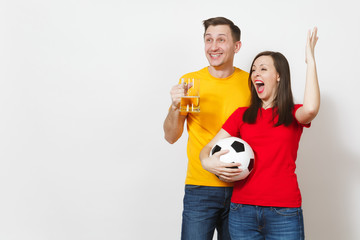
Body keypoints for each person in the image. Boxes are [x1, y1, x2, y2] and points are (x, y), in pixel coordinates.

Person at [199, 28, 320, 239]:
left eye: (263, 69)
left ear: (279, 76)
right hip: (241, 211)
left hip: (284, 211)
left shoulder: (292, 113)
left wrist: (311, 62)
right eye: (254, 70)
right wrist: (207, 162)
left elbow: (310, 109)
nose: (256, 74)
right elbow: (208, 148)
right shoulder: (241, 115)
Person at [163, 17, 251, 239]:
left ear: (236, 46)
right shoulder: (190, 82)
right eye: (208, 40)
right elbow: (171, 136)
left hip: (242, 188)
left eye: (221, 40)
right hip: (200, 188)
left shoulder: (250, 83)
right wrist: (175, 107)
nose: (213, 46)